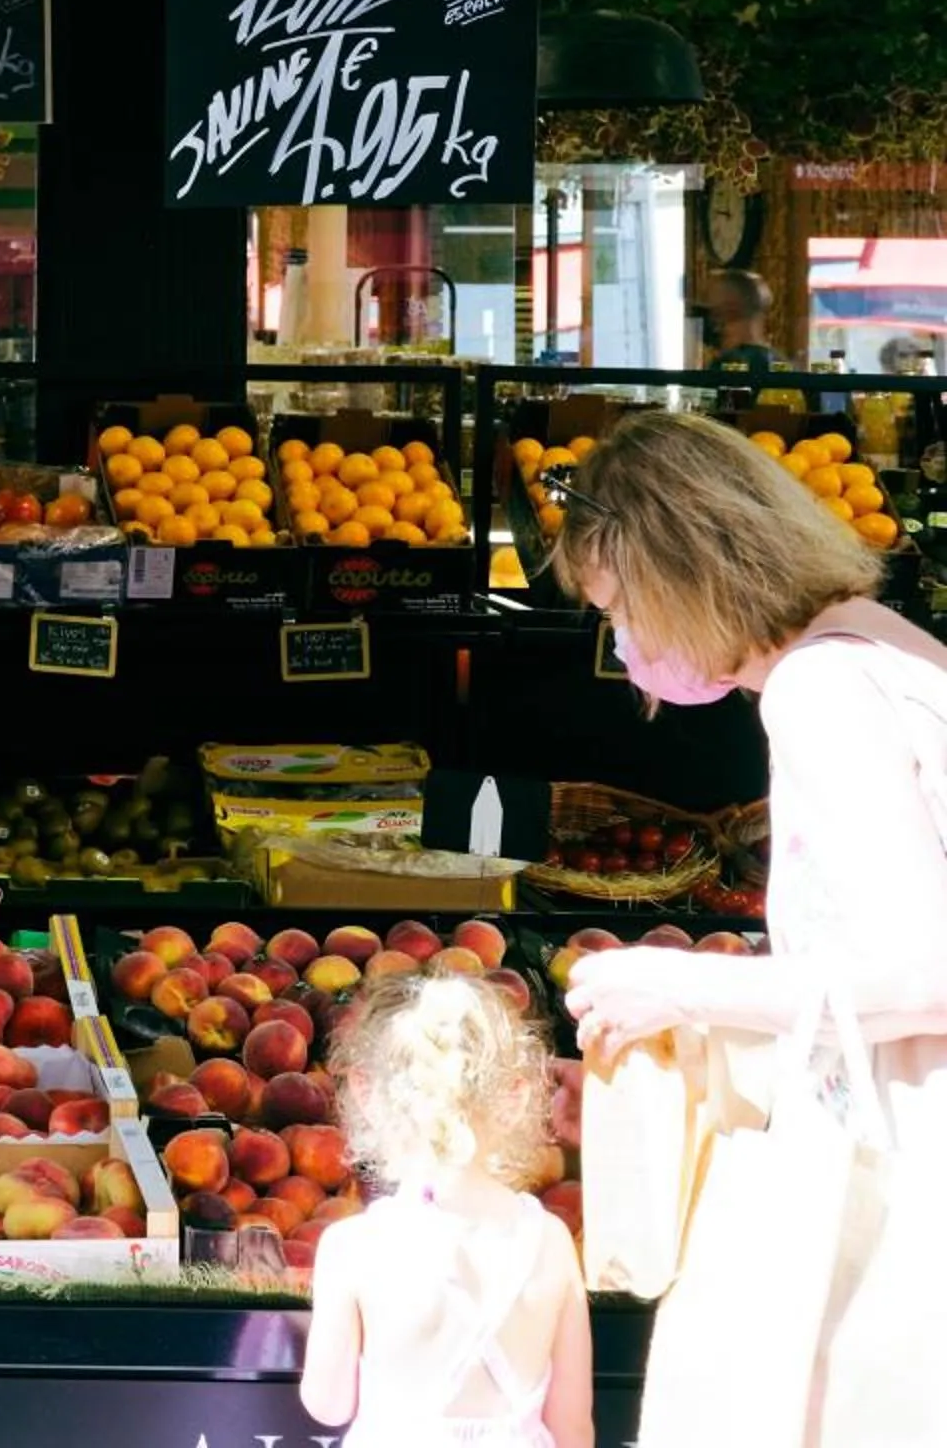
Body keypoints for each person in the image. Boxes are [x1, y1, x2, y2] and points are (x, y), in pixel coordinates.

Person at [554, 410, 947, 1443]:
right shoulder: (888, 646)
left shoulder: (820, 689)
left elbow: (925, 971)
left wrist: (683, 988)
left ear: (685, 566)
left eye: (621, 606)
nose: (625, 640)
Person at [300, 972, 593, 1448]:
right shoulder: (551, 1241)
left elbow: (328, 1404)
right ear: (516, 1098)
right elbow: (574, 1427)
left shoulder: (353, 1248)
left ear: (365, 1092)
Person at [704, 268, 778, 376]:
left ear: (732, 309)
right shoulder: (781, 364)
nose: (715, 324)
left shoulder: (728, 367)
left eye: (718, 312)